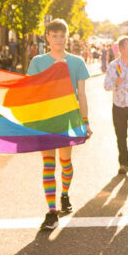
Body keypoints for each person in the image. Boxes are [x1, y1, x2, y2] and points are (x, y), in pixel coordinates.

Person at [27, 19, 91, 230]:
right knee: (48, 164)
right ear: (47, 37)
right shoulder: (37, 61)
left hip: (67, 118)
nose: (58, 40)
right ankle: (52, 211)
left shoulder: (77, 62)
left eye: (62, 36)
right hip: (45, 119)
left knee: (65, 162)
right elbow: (30, 91)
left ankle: (64, 194)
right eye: (54, 36)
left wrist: (85, 122)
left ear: (67, 37)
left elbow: (81, 94)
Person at [104, 36, 128, 175]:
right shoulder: (114, 66)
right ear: (121, 49)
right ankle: (123, 163)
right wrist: (116, 83)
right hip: (119, 105)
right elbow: (106, 86)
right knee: (121, 135)